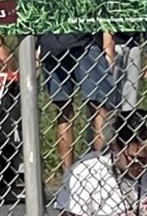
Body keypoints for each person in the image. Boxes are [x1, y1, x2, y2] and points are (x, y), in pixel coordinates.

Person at [40, 28, 119, 171]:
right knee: (97, 109)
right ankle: (98, 170)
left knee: (66, 113)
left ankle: (74, 172)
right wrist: (108, 47)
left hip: (59, 41)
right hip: (79, 41)